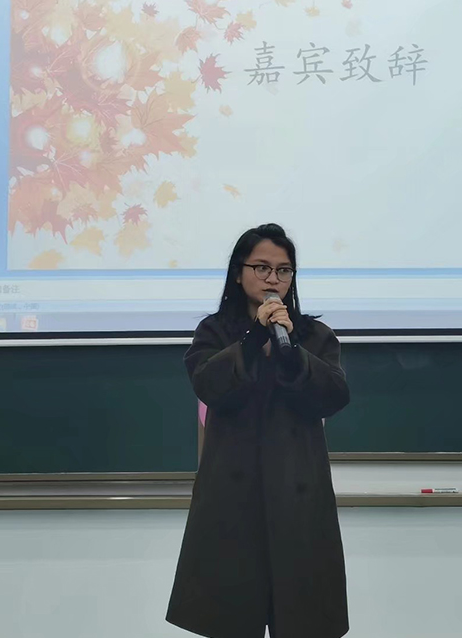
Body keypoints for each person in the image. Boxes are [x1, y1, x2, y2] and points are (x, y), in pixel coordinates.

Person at [167, 224, 351, 638]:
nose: (273, 279)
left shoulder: (314, 336)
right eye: (262, 267)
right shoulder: (214, 332)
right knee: (230, 620)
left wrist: (292, 352)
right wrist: (252, 340)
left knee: (303, 621)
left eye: (284, 270)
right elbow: (208, 385)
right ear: (239, 272)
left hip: (298, 498)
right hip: (231, 500)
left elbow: (334, 396)